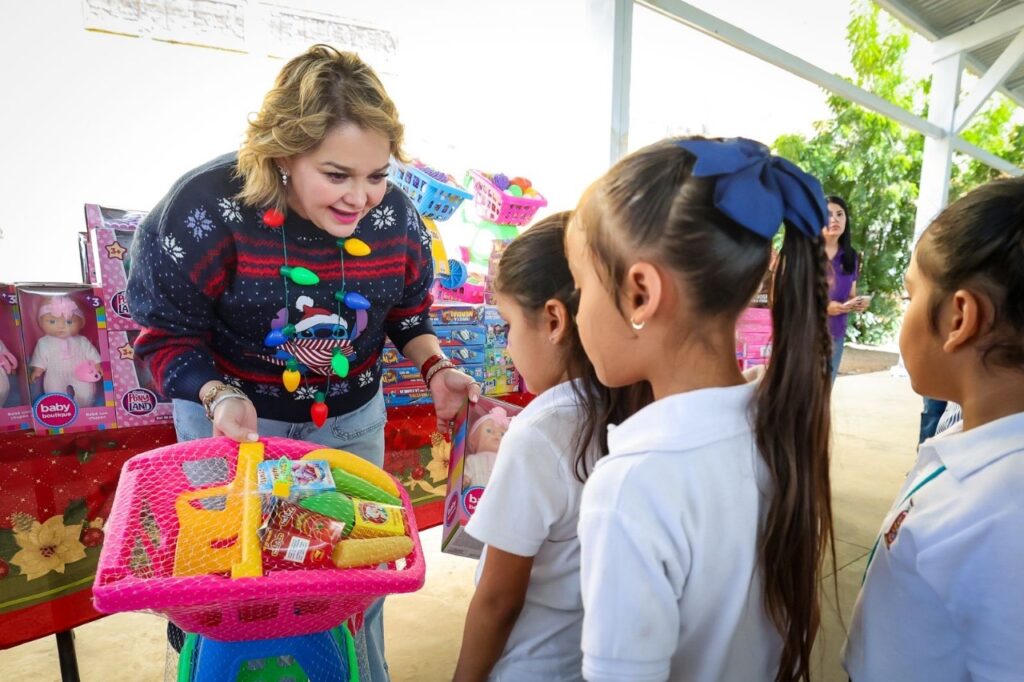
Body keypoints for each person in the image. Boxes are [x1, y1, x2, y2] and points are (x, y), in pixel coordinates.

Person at [126, 44, 479, 681]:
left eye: (377, 175)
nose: (361, 198)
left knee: (354, 583)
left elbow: (407, 314)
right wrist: (218, 396)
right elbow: (164, 337)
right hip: (232, 429)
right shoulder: (204, 209)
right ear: (283, 153)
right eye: (337, 175)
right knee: (229, 584)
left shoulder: (395, 216)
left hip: (349, 425)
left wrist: (435, 368)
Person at [567, 137, 834, 682]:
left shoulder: (632, 487)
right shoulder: (776, 427)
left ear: (640, 294)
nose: (576, 314)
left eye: (580, 288)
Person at [453, 213, 651, 682]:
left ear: (554, 320)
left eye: (507, 325)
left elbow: (498, 601)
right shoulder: (645, 405)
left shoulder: (539, 433)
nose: (506, 347)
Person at [843, 177, 1024, 681]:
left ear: (959, 318)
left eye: (910, 295)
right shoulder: (964, 432)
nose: (905, 311)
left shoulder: (1005, 517)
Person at [823, 195, 868, 382]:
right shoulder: (805, 254)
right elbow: (791, 297)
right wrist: (824, 307)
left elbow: (850, 294)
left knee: (825, 391)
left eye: (840, 214)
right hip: (805, 334)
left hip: (836, 335)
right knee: (802, 392)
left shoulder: (851, 256)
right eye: (828, 214)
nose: (834, 219)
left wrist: (856, 303)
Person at [29, 296, 103, 405]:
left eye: (69, 322)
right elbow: (40, 357)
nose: (61, 326)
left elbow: (91, 353)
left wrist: (97, 364)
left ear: (81, 323)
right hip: (54, 373)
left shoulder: (82, 340)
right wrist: (38, 369)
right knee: (53, 392)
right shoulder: (43, 342)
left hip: (80, 372)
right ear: (41, 323)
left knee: (86, 392)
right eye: (52, 322)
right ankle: (60, 409)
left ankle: (85, 408)